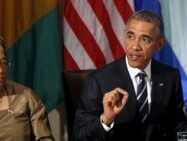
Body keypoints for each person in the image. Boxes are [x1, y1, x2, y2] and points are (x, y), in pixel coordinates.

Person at [72, 10, 187, 141]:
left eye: (145, 39)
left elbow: (179, 128)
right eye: (130, 36)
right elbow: (79, 137)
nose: (135, 46)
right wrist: (105, 120)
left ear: (159, 44)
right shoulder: (98, 81)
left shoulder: (170, 76)